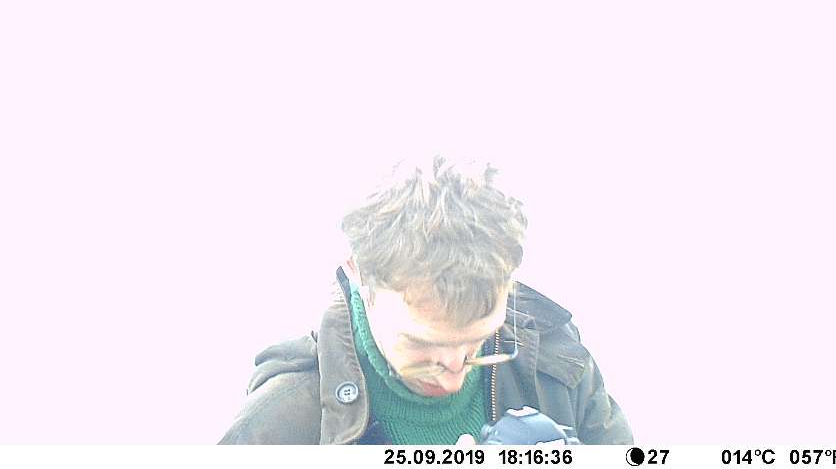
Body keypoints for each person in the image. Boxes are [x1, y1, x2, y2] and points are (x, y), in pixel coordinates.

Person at [219, 156, 632, 445]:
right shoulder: (279, 423)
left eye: (477, 341)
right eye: (421, 344)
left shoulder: (559, 368)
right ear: (359, 274)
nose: (453, 376)